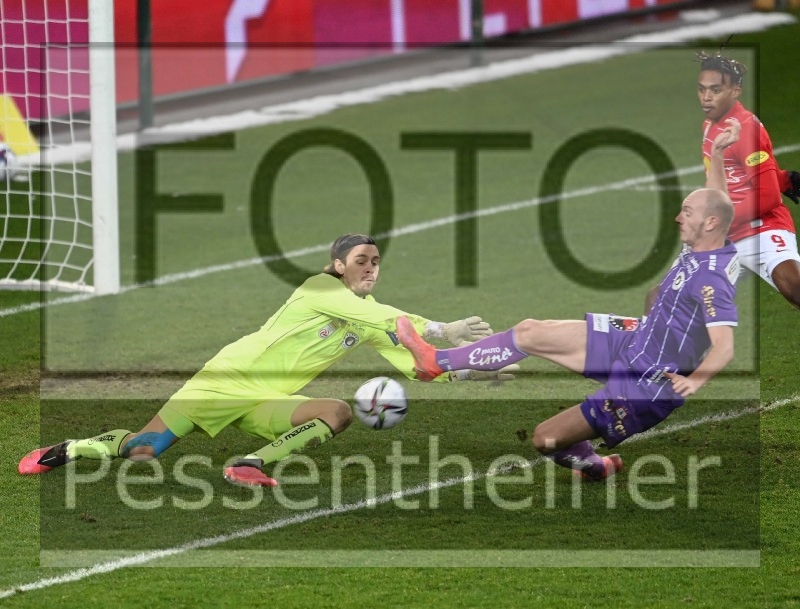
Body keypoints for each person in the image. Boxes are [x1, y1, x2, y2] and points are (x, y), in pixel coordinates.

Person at [19, 234, 517, 487]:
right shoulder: (320, 288)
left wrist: (477, 364)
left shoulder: (369, 315)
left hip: (269, 396)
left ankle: (250, 464)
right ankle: (76, 447)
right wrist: (439, 329)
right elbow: (401, 324)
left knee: (336, 412)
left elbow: (417, 366)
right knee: (144, 451)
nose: (371, 269)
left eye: (376, 262)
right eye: (362, 261)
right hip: (225, 378)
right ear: (338, 266)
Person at [395, 133, 739, 480]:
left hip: (646, 383)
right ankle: (435, 363)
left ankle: (594, 465)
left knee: (545, 439)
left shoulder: (711, 279)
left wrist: (694, 382)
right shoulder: (704, 242)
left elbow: (724, 346)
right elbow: (718, 201)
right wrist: (719, 154)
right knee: (531, 331)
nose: (678, 218)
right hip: (634, 339)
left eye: (687, 212)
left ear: (709, 224)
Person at [696, 50, 800, 310]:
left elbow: (767, 197)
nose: (707, 98)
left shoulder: (745, 129)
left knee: (794, 286)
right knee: (666, 302)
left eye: (716, 90)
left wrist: (719, 220)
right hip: (724, 234)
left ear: (735, 91)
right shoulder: (710, 124)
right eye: (702, 89)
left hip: (760, 226)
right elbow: (734, 175)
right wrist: (783, 179)